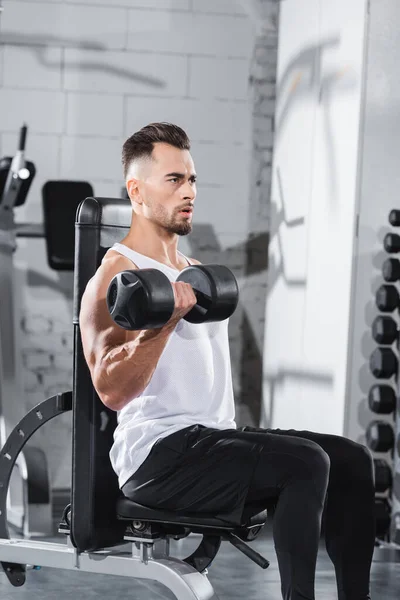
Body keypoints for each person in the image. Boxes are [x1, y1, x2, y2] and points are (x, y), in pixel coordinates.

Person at [79, 122, 375, 600]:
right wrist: (164, 324)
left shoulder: (189, 268)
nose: (189, 191)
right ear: (136, 190)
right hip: (157, 458)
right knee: (304, 464)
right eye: (173, 179)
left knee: (352, 460)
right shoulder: (115, 275)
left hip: (211, 439)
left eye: (192, 179)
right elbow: (110, 389)